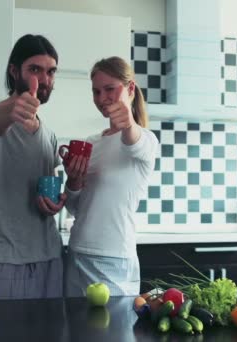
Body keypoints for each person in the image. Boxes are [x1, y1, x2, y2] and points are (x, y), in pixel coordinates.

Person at [0, 34, 68, 299]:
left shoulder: (50, 135)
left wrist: (57, 202)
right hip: (3, 260)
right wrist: (13, 105)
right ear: (14, 71)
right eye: (35, 69)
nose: (44, 80)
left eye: (50, 71)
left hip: (51, 258)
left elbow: (50, 190)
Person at [63, 56, 159, 297]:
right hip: (76, 254)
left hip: (113, 259)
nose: (101, 98)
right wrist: (73, 182)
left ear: (130, 89)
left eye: (109, 89)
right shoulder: (91, 143)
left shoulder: (145, 139)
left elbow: (132, 143)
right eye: (96, 91)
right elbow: (77, 208)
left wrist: (128, 124)